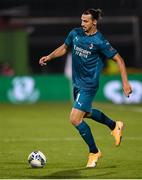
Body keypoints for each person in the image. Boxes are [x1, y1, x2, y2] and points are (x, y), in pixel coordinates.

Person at [39, 8, 132, 168]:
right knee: (86, 113)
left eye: (86, 21)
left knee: (75, 118)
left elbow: (120, 60)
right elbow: (63, 48)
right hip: (77, 83)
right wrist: (49, 56)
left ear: (94, 22)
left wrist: (125, 83)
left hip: (89, 84)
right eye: (81, 20)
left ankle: (94, 151)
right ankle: (114, 125)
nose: (82, 23)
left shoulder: (100, 41)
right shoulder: (75, 33)